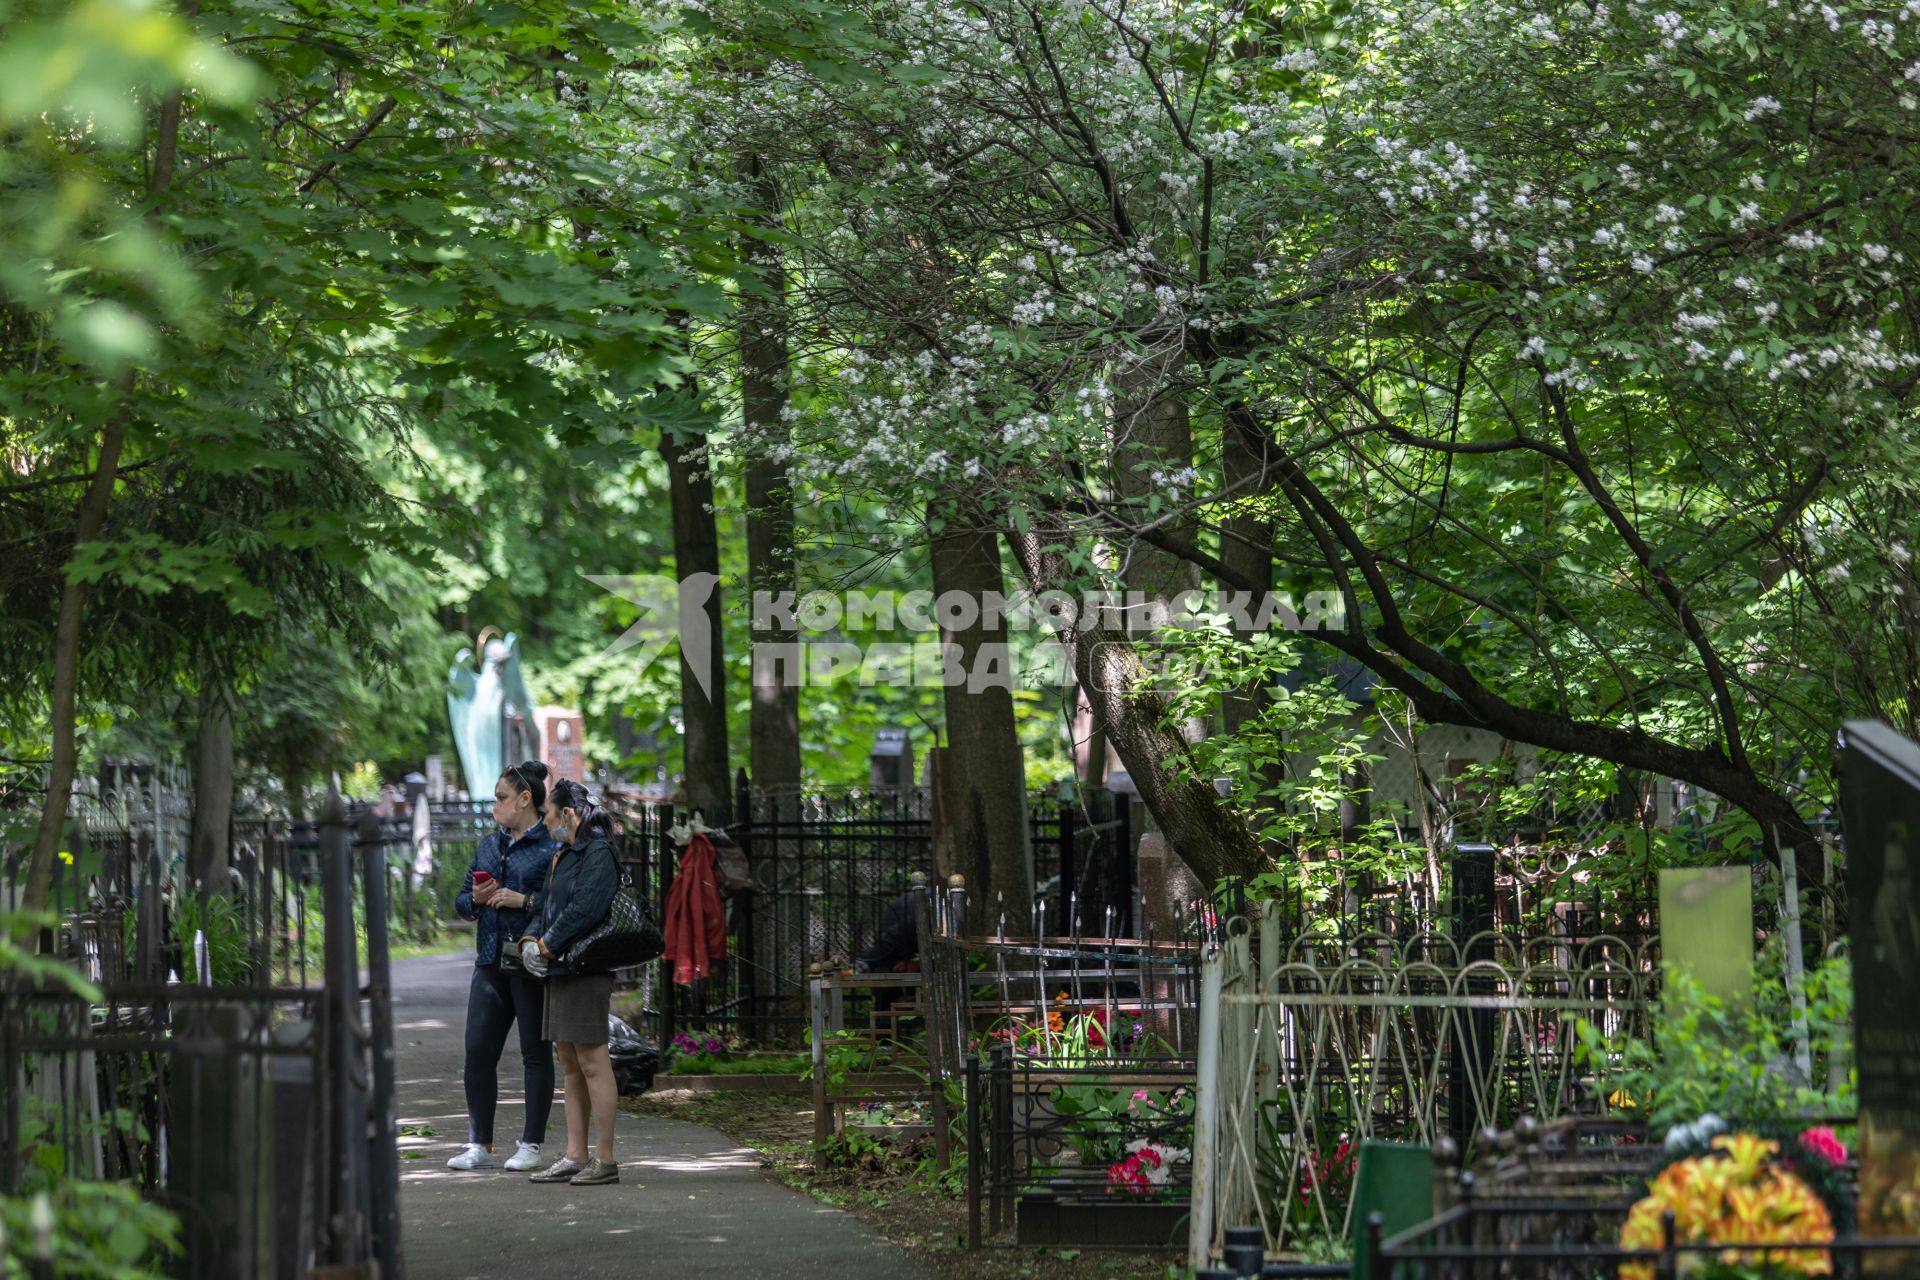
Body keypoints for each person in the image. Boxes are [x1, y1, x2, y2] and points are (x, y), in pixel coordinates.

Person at [446, 761, 561, 1172]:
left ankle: (531, 1144)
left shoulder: (550, 847)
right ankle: (479, 1143)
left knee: (534, 1052)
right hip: (490, 961)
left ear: (525, 799)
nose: (495, 806)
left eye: (501, 798)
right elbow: (462, 902)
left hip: (528, 962)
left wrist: (523, 901)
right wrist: (475, 899)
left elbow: (561, 907)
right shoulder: (489, 846)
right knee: (477, 1051)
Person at [516, 778, 622, 1186]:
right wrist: (531, 940)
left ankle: (605, 1159)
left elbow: (585, 910)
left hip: (585, 969)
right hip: (560, 967)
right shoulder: (564, 853)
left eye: (547, 815)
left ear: (568, 814)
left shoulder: (598, 853)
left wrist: (545, 946)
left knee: (593, 1063)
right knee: (570, 1063)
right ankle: (575, 1155)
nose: (544, 823)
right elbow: (546, 906)